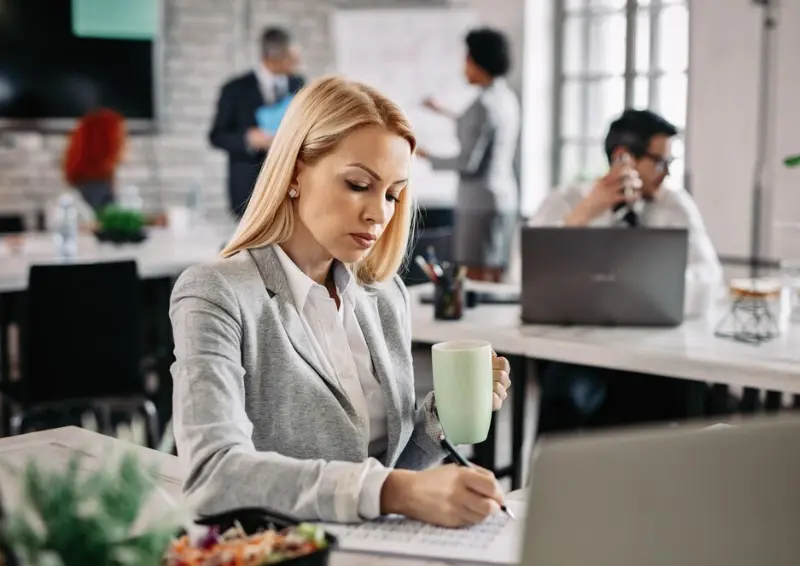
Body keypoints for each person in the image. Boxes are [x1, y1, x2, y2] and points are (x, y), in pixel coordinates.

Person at [171, 76, 513, 526]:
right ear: (295, 172)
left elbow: (387, 478)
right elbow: (212, 473)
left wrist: (442, 416)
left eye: (393, 194)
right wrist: (396, 491)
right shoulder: (216, 293)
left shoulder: (385, 297)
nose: (379, 213)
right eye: (358, 185)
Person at [531, 109, 724, 432]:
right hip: (582, 351)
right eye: (660, 162)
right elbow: (528, 275)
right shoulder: (566, 201)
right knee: (563, 399)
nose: (667, 174)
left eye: (670, 163)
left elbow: (710, 279)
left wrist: (646, 291)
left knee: (699, 399)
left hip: (657, 351)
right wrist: (585, 213)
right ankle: (552, 481)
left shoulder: (675, 206)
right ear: (623, 157)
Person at [417, 28, 520, 283]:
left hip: (478, 204)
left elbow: (468, 163)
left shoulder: (482, 105)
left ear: (478, 62)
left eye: (467, 60)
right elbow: (481, 128)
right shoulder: (505, 98)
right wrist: (443, 111)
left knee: (474, 275)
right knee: (497, 272)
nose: (464, 67)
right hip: (504, 197)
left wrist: (426, 156)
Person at [209, 26, 305, 218]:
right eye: (291, 58)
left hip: (290, 185)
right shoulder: (234, 89)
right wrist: (248, 139)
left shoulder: (299, 84)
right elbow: (216, 136)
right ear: (275, 57)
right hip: (248, 188)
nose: (297, 62)